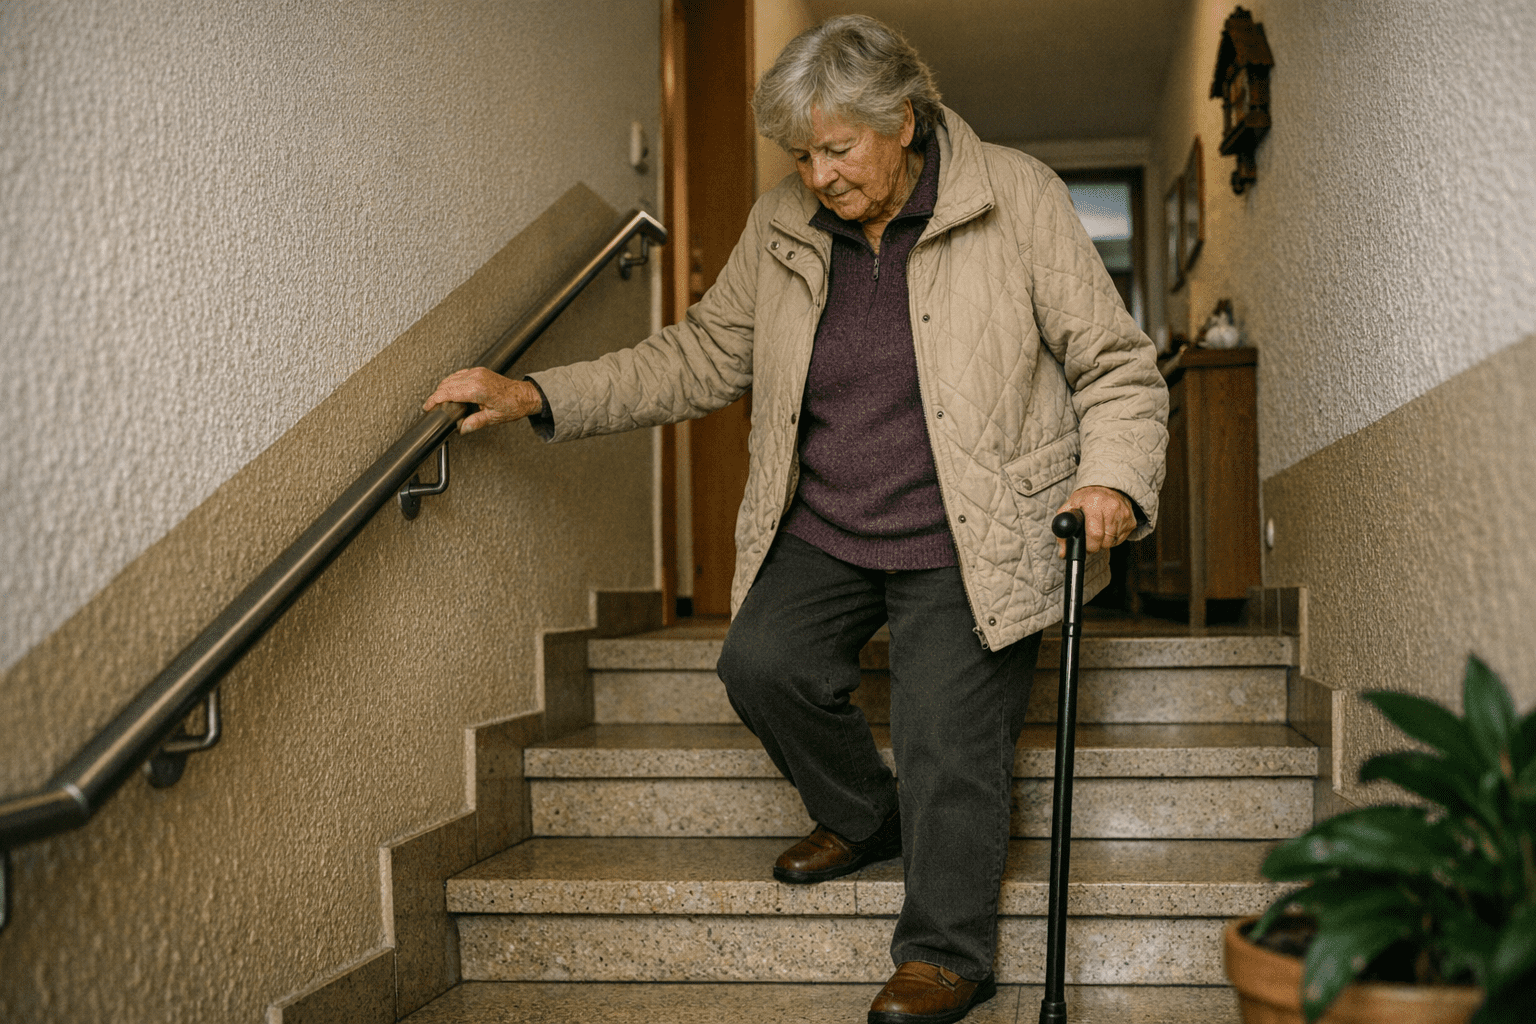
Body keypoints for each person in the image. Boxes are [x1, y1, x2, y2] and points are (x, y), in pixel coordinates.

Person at [424, 15, 1167, 1024]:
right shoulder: (784, 224)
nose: (817, 175)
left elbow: (1115, 363)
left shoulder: (1016, 196)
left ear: (903, 120)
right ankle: (866, 815)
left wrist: (1113, 478)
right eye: (801, 153)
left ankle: (947, 953)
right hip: (830, 519)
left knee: (951, 738)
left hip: (972, 525)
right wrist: (538, 395)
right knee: (760, 663)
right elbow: (694, 357)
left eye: (838, 148)